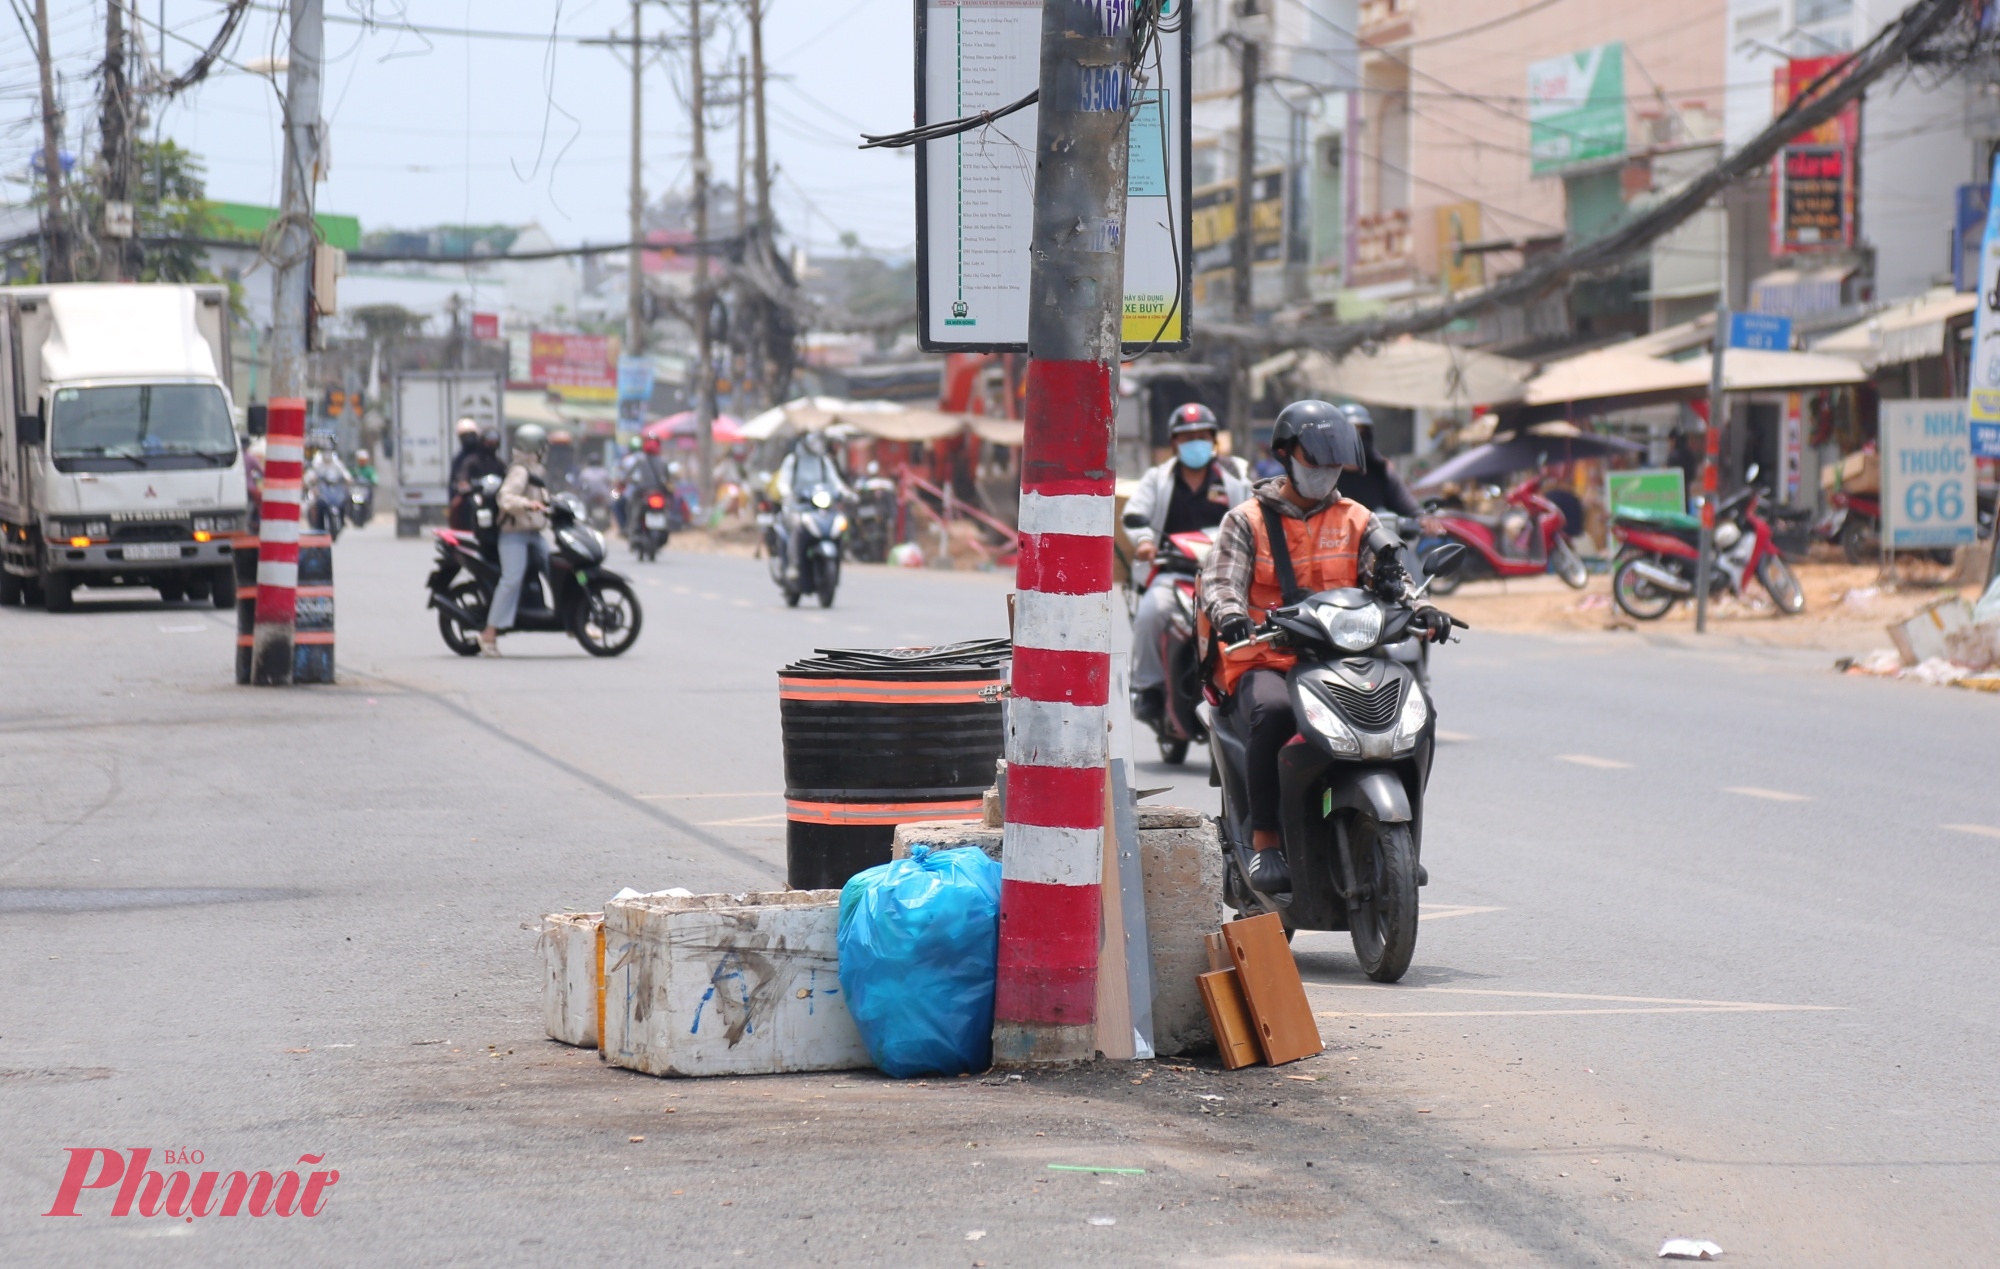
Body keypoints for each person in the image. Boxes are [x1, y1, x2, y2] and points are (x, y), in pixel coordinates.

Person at [1201, 400, 1453, 894]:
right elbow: (1219, 583)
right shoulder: (1245, 520)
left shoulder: (1358, 518)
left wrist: (1420, 608)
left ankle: (1404, 839)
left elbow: (1392, 579)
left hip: (1343, 655)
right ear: (1285, 455)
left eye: (1334, 462)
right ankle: (1266, 840)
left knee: (1420, 712)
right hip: (1264, 655)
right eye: (1314, 460)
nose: (1325, 472)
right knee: (1272, 713)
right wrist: (1229, 615)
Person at [1122, 403, 1253, 725]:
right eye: (1186, 437)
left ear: (1213, 439)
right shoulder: (1158, 478)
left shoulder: (1235, 474)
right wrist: (1145, 542)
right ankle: (1148, 689)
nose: (1194, 442)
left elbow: (1254, 513)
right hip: (1174, 574)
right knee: (1151, 613)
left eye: (1201, 435)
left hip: (1224, 577)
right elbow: (1134, 515)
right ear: (1174, 443)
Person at [479, 423, 553, 656]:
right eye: (542, 446)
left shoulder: (535, 469)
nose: (545, 450)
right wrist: (528, 504)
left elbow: (542, 497)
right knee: (511, 579)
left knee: (556, 566)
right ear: (535, 448)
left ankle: (576, 621)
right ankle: (489, 633)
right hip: (514, 535)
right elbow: (506, 498)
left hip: (533, 534)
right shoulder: (520, 470)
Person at [773, 432, 852, 583]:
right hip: (797, 507)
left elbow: (835, 482)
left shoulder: (823, 461)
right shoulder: (793, 460)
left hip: (819, 507)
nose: (817, 446)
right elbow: (783, 482)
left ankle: (843, 554)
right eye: (814, 442)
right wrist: (788, 494)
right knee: (796, 527)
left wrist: (845, 492)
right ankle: (793, 565)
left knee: (839, 522)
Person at [1336, 404, 1424, 519]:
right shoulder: (1325, 474)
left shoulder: (1380, 471)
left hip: (1374, 535)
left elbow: (1408, 506)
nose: (1356, 439)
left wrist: (1423, 518)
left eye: (1362, 433)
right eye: (1351, 432)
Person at [449, 419, 503, 530]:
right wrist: (464, 485)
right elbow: (461, 477)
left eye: (494, 442)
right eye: (488, 442)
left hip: (495, 497)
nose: (491, 445)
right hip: (476, 495)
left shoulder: (499, 463)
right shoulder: (470, 461)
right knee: (459, 505)